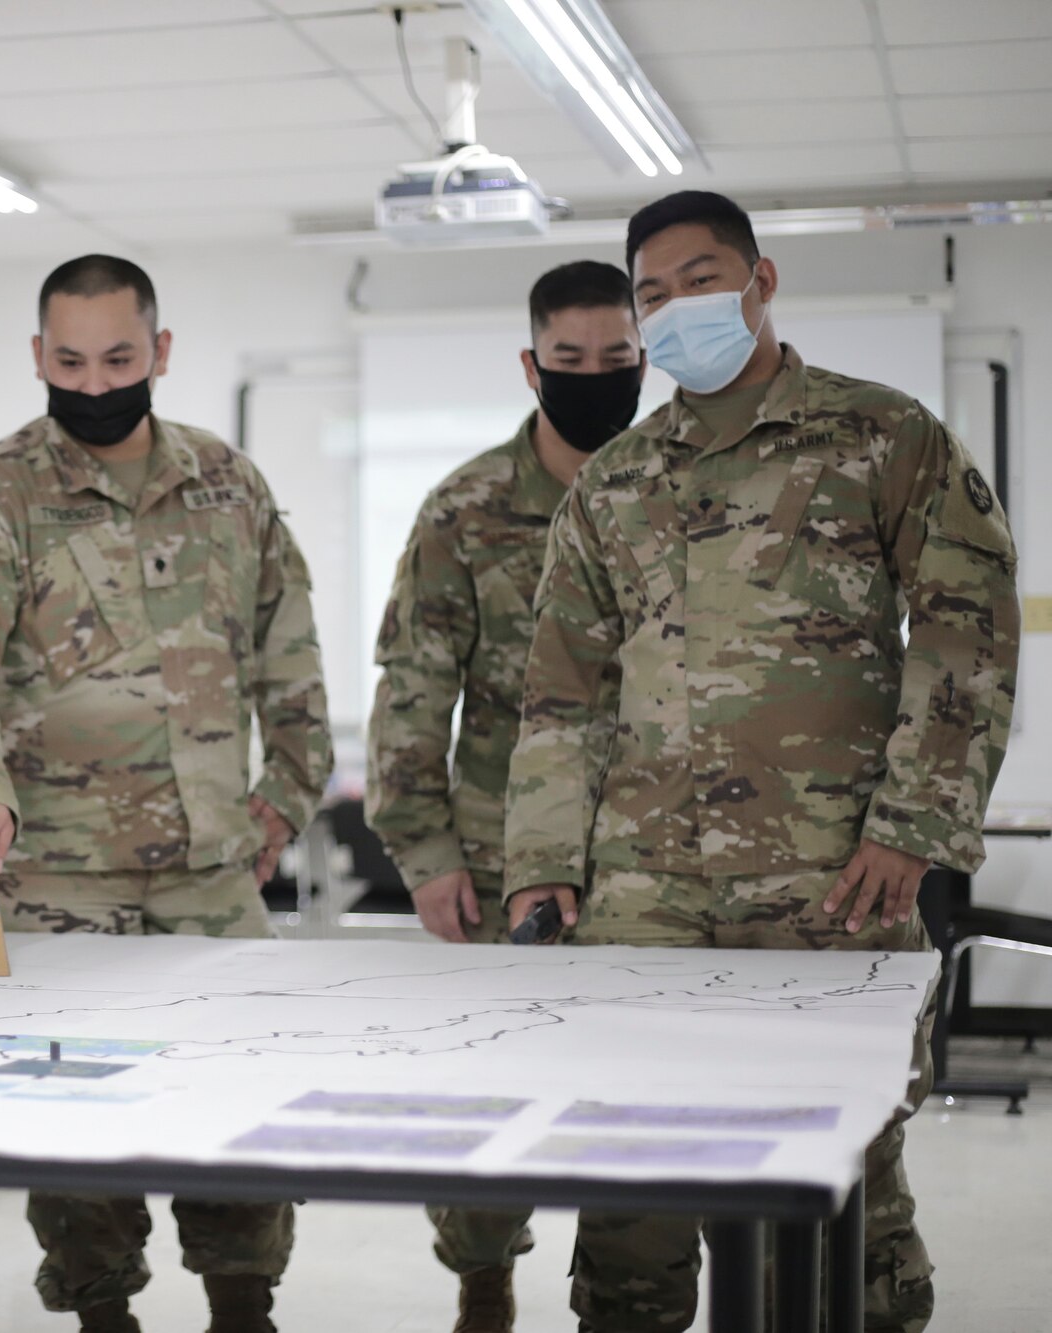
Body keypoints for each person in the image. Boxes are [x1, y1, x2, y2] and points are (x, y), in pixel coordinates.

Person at [505, 189, 1019, 1333]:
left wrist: (911, 827)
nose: (676, 308)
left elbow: (962, 626)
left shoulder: (882, 436)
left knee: (833, 1194)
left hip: (828, 880)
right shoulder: (614, 482)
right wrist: (541, 859)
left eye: (698, 279)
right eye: (651, 294)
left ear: (758, 280)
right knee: (628, 1193)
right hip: (641, 894)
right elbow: (559, 685)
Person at [0, 255, 331, 1333]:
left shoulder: (230, 484)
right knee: (76, 1130)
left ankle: (241, 1306)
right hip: (57, 875)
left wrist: (286, 794)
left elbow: (289, 650)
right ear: (39, 357)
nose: (94, 383)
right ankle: (100, 1314)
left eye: (119, 358)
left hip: (208, 872)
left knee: (236, 1106)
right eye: (71, 361)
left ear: (159, 353)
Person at [367, 260, 645, 1333]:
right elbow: (410, 690)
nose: (591, 379)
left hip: (648, 857)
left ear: (640, 361)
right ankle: (483, 1282)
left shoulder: (674, 493)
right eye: (568, 361)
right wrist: (422, 849)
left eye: (614, 360)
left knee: (627, 1099)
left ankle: (620, 1302)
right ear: (531, 366)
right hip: (489, 859)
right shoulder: (466, 508)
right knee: (491, 1097)